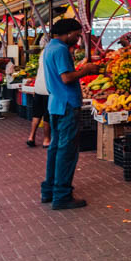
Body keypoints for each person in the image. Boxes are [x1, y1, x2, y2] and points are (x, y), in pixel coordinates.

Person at [41, 19, 99, 210]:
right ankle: (62, 195)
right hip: (66, 104)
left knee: (56, 149)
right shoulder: (61, 50)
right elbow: (66, 77)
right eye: (76, 34)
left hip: (55, 104)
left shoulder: (50, 47)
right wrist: (86, 70)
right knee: (67, 151)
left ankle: (49, 190)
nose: (77, 38)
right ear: (67, 33)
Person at [26, 47, 51, 148]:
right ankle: (46, 139)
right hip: (48, 89)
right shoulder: (55, 53)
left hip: (38, 88)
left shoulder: (43, 54)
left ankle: (31, 137)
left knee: (36, 114)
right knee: (47, 115)